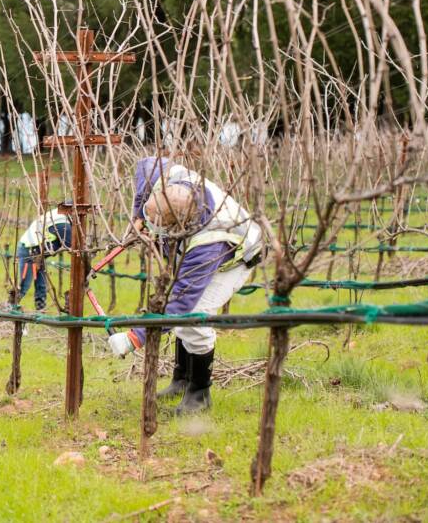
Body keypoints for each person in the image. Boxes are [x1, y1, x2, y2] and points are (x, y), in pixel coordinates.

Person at [107, 157, 263, 414]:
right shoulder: (164, 177)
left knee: (193, 317)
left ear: (179, 226)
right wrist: (139, 216)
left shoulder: (208, 244)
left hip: (237, 256)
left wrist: (135, 337)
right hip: (191, 236)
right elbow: (145, 164)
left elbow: (181, 304)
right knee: (182, 314)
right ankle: (181, 379)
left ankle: (200, 393)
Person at [15, 205, 73, 311]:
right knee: (24, 285)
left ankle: (40, 311)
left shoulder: (57, 214)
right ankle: (9, 309)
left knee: (41, 285)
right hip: (30, 252)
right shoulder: (63, 224)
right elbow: (71, 246)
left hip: (38, 252)